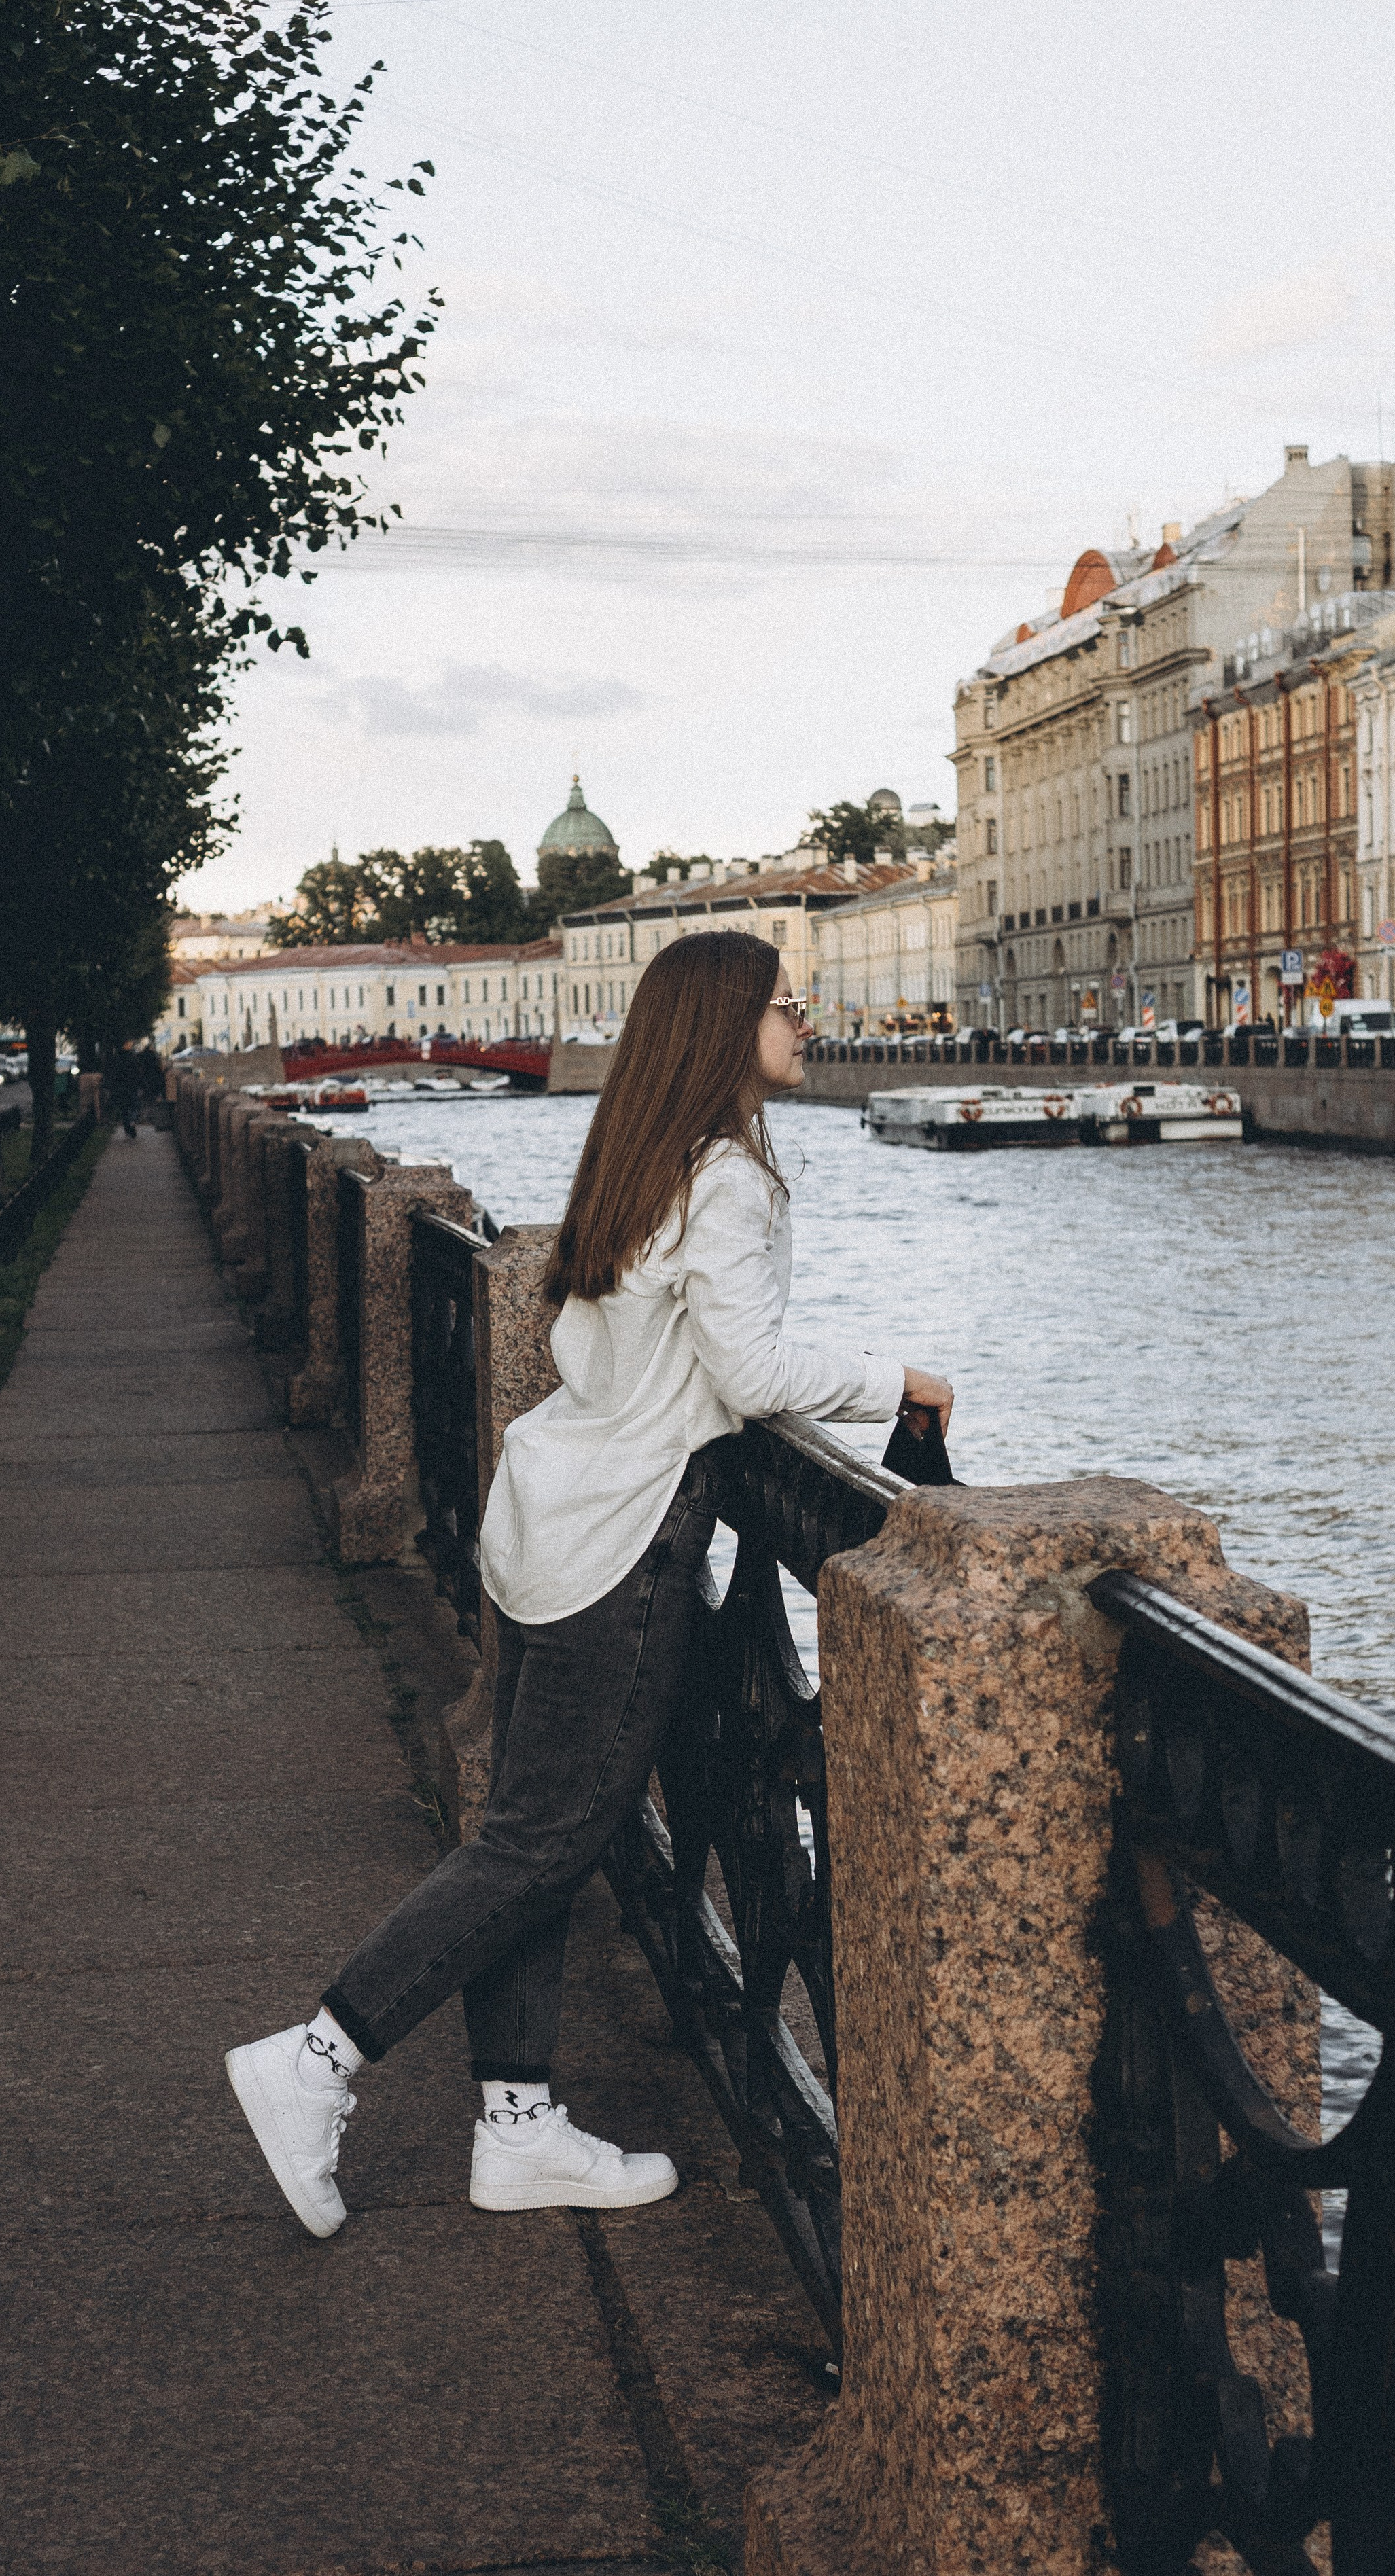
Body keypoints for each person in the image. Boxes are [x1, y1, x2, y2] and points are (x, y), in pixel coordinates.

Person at [225, 932, 953, 2238]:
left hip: (545, 1516)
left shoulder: (638, 1160)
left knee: (531, 1831)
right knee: (545, 1839)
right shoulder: (727, 1178)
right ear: (726, 1027)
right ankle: (318, 2057)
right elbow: (750, 1372)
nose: (807, 1019)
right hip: (624, 1540)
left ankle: (517, 2126)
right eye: (788, 1005)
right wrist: (897, 1379)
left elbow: (587, 1337)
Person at [102, 1041, 142, 1139]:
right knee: (134, 1106)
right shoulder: (132, 1058)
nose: (131, 1044)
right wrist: (142, 1085)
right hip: (131, 1087)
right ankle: (132, 1121)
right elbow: (138, 1073)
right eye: (128, 1043)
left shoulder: (115, 1059)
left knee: (124, 1109)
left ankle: (128, 1131)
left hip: (119, 1088)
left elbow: (110, 1073)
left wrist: (110, 1086)